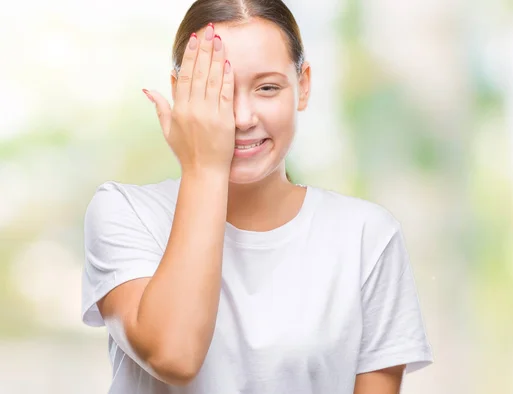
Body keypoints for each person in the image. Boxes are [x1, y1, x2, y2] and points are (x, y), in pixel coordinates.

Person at [81, 1, 434, 393]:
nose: (243, 117)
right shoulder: (125, 213)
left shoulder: (367, 236)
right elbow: (174, 355)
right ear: (181, 94)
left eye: (267, 88)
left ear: (303, 87)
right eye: (220, 91)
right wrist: (204, 168)